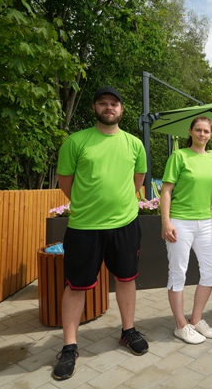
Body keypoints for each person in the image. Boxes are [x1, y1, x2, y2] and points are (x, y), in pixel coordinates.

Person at [53, 86, 149, 380]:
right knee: (77, 286)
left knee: (126, 279)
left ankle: (128, 330)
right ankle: (69, 346)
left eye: (114, 104)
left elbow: (138, 180)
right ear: (94, 108)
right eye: (103, 103)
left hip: (125, 225)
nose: (109, 107)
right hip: (84, 227)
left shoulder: (134, 144)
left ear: (122, 110)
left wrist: (118, 202)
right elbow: (65, 182)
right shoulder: (76, 142)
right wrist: (88, 204)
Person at [160, 116, 212, 345]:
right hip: (180, 221)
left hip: (205, 223)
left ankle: (196, 319)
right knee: (178, 273)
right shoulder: (179, 156)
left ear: (211, 134)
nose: (202, 134)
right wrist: (165, 221)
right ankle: (180, 325)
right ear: (190, 131)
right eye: (198, 130)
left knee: (211, 272)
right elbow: (166, 190)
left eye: (206, 131)